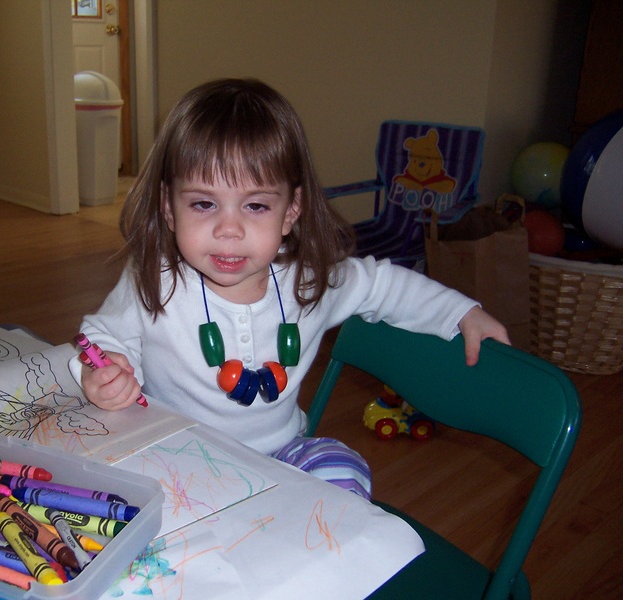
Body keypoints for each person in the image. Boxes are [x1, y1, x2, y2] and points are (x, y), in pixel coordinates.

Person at [69, 78, 509, 500]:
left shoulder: (308, 280)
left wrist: (459, 312)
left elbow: (383, 285)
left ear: (291, 211)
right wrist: (106, 371)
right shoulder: (153, 277)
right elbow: (102, 336)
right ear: (169, 207)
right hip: (180, 461)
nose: (228, 230)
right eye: (203, 203)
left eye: (256, 205)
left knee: (343, 467)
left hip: (280, 460)